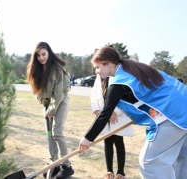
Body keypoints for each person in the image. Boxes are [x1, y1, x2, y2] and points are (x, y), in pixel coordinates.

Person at [79, 46, 187, 179]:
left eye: (98, 67)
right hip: (182, 111)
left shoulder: (119, 83)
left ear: (109, 64)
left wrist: (87, 138)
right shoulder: (136, 70)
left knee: (150, 162)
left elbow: (105, 114)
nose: (96, 72)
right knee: (182, 159)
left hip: (174, 117)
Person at [27, 42, 74, 179]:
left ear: (49, 53)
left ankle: (66, 166)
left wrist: (50, 111)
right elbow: (35, 90)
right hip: (47, 103)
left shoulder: (57, 68)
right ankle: (54, 164)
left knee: (57, 132)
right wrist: (41, 100)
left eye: (44, 54)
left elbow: (59, 93)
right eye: (38, 55)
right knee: (49, 135)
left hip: (61, 101)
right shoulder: (36, 69)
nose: (41, 58)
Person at [90, 74, 133, 179]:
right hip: (103, 113)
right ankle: (109, 171)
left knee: (118, 140)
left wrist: (114, 111)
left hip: (116, 114)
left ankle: (121, 172)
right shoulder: (99, 76)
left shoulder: (118, 75)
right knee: (107, 140)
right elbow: (94, 93)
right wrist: (97, 109)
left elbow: (124, 96)